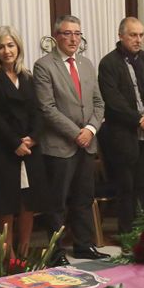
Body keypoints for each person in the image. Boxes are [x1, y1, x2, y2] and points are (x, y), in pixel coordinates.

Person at [34, 14, 106, 261]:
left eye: (77, 33)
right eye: (68, 33)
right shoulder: (44, 65)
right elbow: (47, 108)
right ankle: (56, 252)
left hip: (87, 143)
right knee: (57, 203)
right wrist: (77, 133)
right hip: (60, 146)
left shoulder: (86, 64)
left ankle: (84, 245)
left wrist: (91, 130)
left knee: (84, 199)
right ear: (56, 37)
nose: (73, 38)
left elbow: (98, 103)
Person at [0, 26, 49, 260]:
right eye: (1, 46)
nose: (7, 51)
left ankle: (25, 252)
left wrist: (34, 137)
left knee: (28, 203)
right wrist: (14, 142)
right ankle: (8, 258)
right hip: (3, 149)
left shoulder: (27, 76)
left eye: (11, 45)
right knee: (6, 204)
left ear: (18, 47)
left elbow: (38, 111)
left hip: (30, 148)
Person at [97, 16, 144, 233]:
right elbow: (113, 100)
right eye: (133, 35)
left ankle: (143, 231)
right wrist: (139, 119)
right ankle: (128, 233)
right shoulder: (108, 63)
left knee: (143, 185)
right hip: (123, 134)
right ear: (121, 36)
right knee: (126, 187)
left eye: (141, 35)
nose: (138, 40)